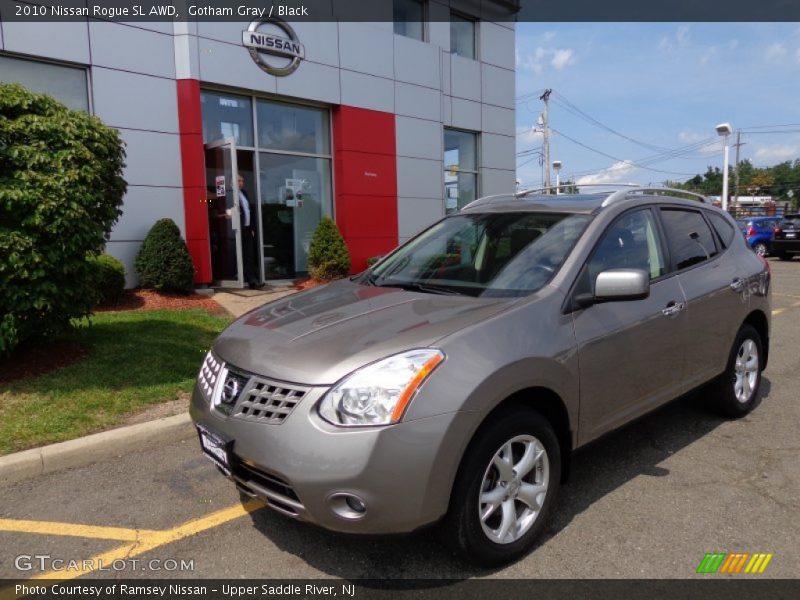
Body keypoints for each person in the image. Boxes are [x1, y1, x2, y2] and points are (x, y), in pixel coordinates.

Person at [236, 175, 262, 289]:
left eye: (242, 180)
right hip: (236, 229)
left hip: (246, 229)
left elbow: (249, 212)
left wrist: (251, 228)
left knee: (249, 255)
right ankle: (242, 278)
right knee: (239, 255)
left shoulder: (244, 193)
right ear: (232, 182)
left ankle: (252, 280)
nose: (241, 183)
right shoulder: (231, 194)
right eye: (239, 180)